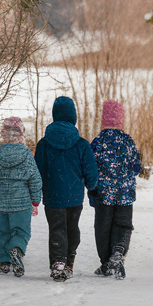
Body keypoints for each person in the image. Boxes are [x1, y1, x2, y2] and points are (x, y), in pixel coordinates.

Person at [34, 96, 98, 281]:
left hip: (53, 196)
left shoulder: (44, 144)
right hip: (74, 197)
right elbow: (90, 170)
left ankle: (57, 262)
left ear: (54, 115)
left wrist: (37, 192)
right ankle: (69, 261)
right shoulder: (81, 144)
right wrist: (91, 186)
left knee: (56, 228)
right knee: (72, 228)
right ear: (73, 116)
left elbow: (38, 171)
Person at [0, 117, 42, 277]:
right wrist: (35, 199)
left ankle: (4, 262)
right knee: (21, 231)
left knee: (1, 231)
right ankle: (16, 249)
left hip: (0, 203)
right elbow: (35, 178)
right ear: (21, 134)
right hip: (21, 203)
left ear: (3, 134)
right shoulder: (26, 154)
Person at [89, 100, 142, 279]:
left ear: (103, 119)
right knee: (124, 224)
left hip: (104, 194)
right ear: (121, 118)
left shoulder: (98, 142)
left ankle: (106, 263)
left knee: (103, 228)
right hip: (125, 194)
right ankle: (118, 253)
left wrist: (92, 188)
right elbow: (136, 167)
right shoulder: (128, 141)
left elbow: (90, 168)